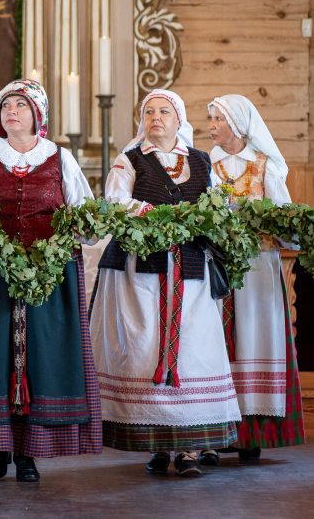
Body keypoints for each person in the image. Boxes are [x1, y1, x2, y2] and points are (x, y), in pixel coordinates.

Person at [90, 89, 242, 477]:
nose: (156, 117)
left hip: (191, 273)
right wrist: (156, 216)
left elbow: (215, 204)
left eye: (165, 111)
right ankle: (155, 446)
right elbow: (116, 201)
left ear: (179, 119)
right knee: (146, 349)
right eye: (150, 112)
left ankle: (190, 449)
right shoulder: (130, 160)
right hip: (142, 274)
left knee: (192, 351)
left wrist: (206, 215)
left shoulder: (201, 160)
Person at [0, 80, 101, 482]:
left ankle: (30, 453)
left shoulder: (60, 158)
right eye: (6, 107)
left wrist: (77, 229)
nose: (12, 112)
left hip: (49, 274)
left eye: (21, 105)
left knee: (43, 355)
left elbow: (86, 216)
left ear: (38, 114)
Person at [201, 93, 304, 465]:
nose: (210, 126)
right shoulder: (206, 164)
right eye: (210, 118)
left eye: (217, 119)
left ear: (239, 125)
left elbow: (285, 225)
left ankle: (252, 433)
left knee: (254, 338)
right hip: (216, 265)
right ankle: (215, 429)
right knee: (214, 342)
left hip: (257, 267)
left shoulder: (264, 168)